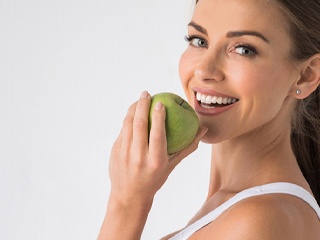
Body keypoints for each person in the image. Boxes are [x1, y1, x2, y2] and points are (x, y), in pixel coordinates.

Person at [98, 0, 320, 239]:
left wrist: (126, 203)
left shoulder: (261, 219)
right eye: (199, 41)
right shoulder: (240, 208)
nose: (204, 70)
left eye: (244, 49)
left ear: (305, 76)